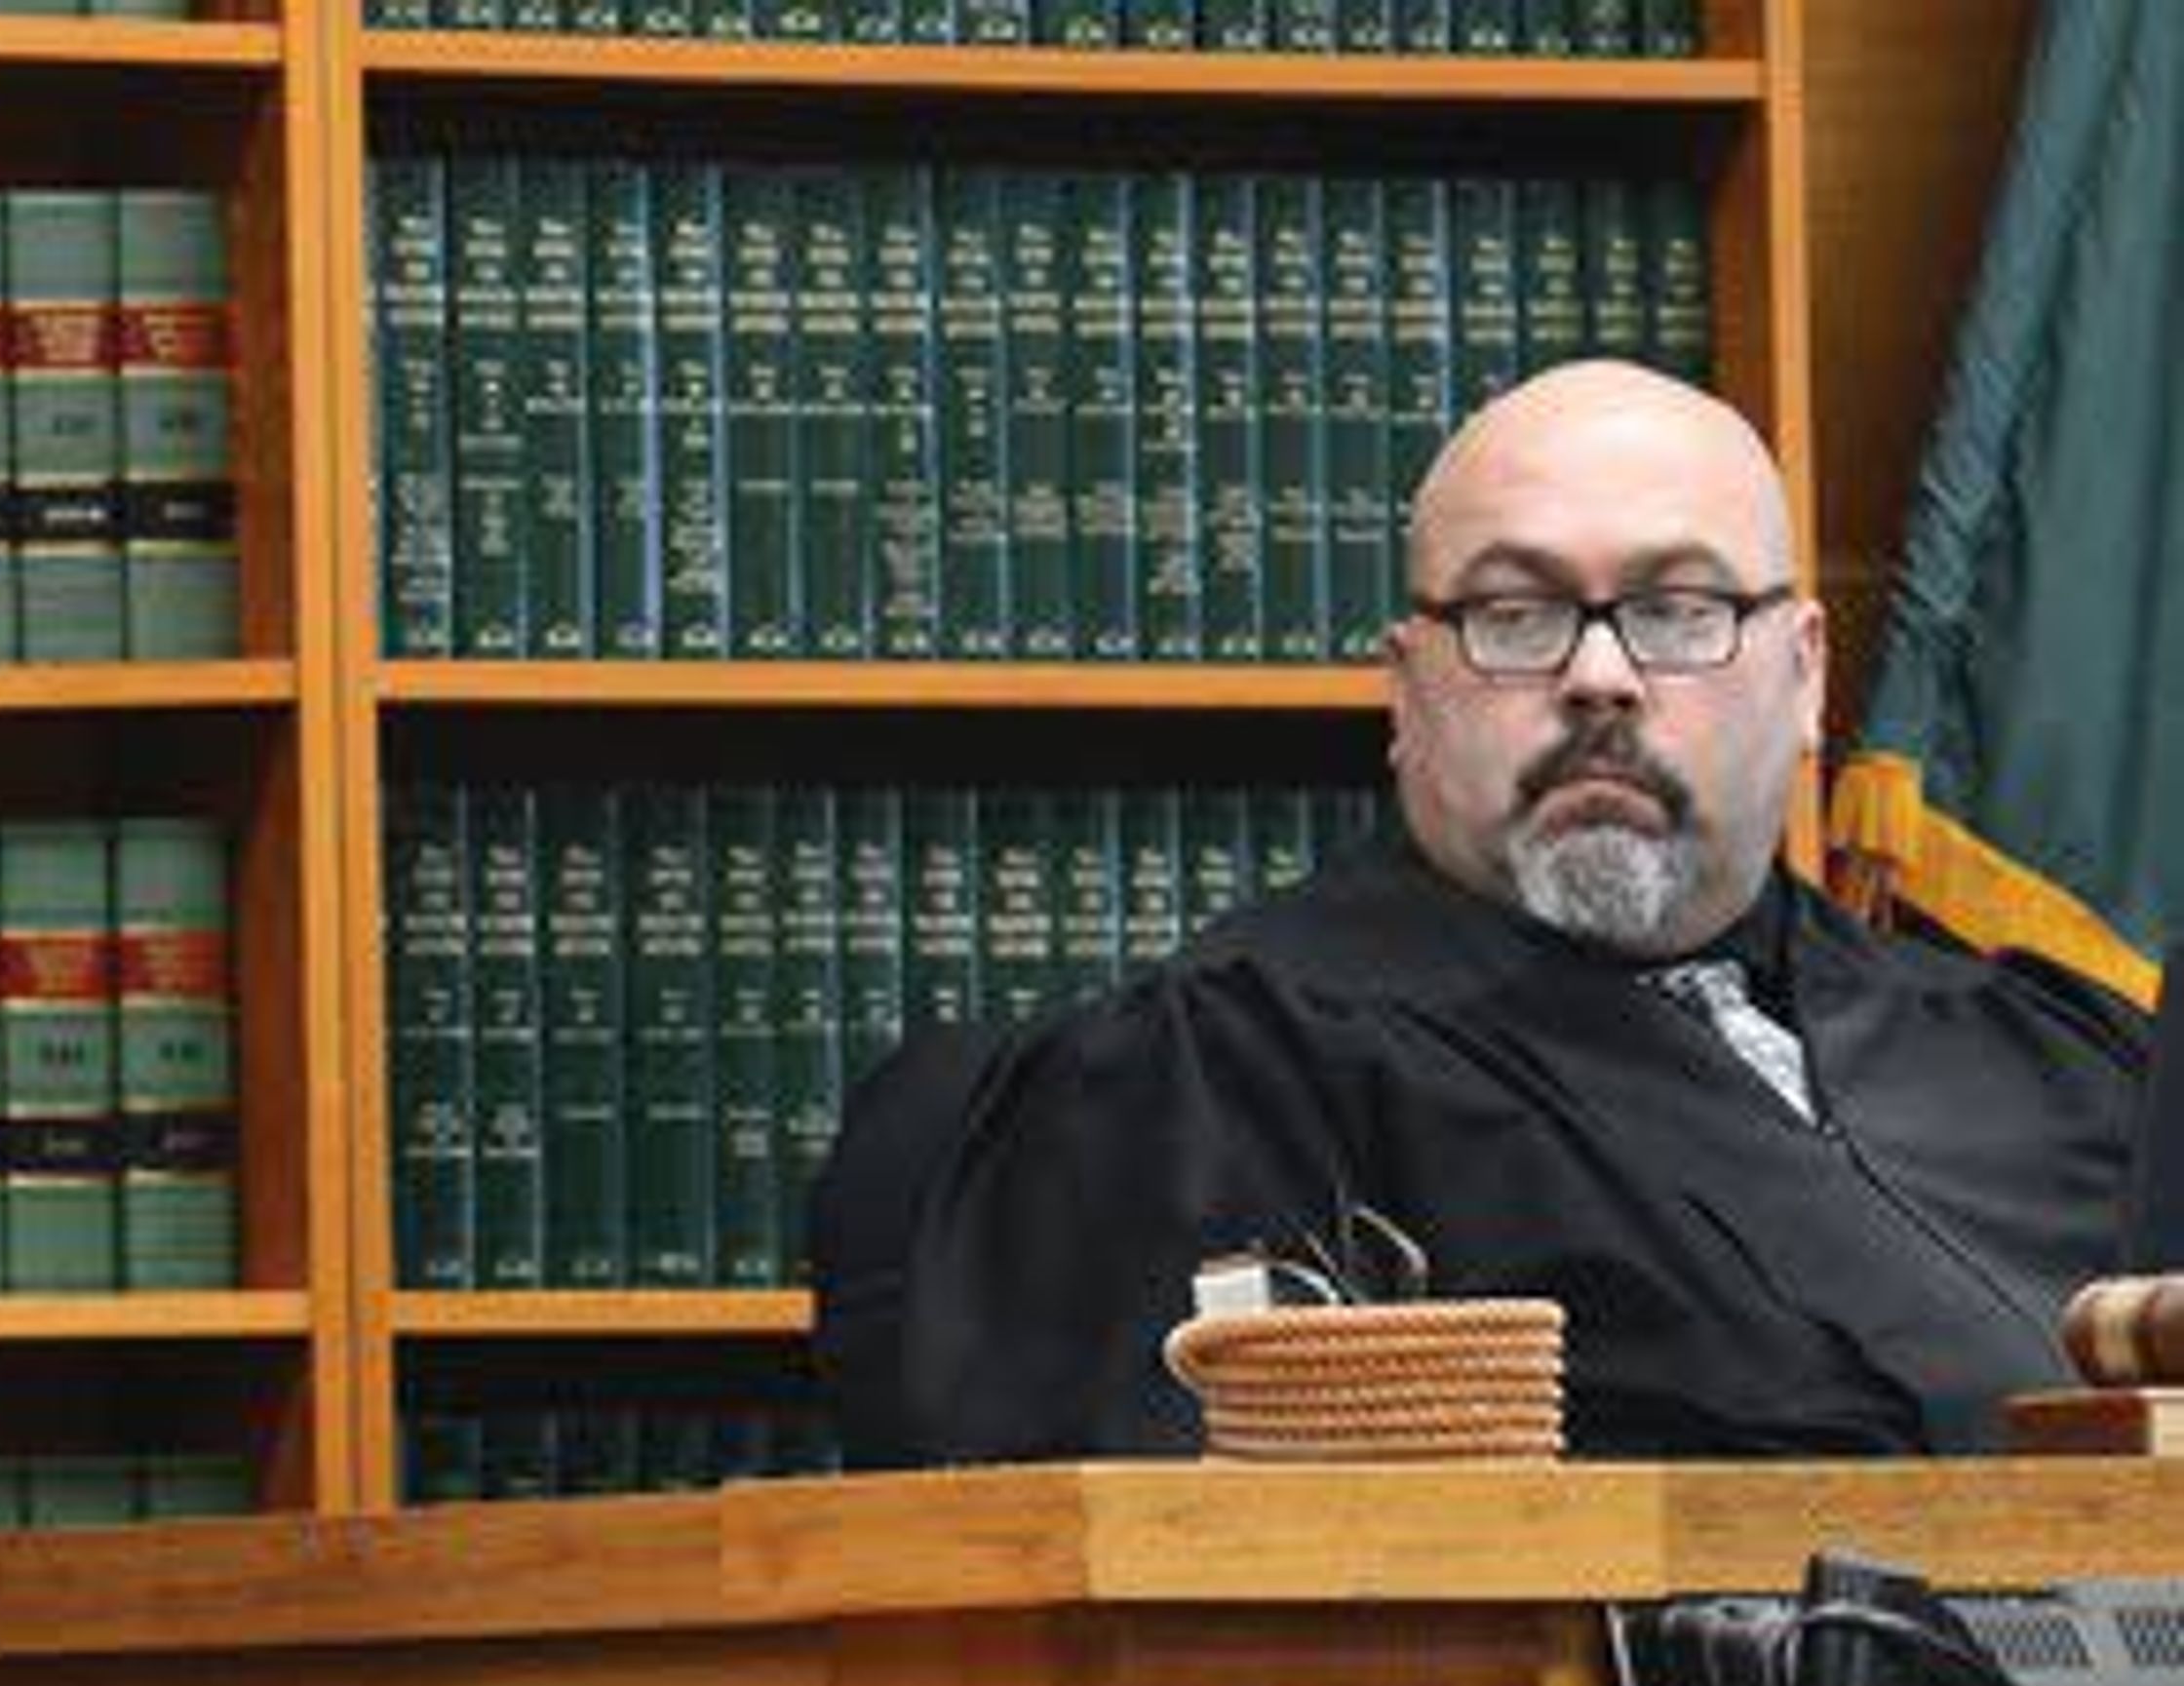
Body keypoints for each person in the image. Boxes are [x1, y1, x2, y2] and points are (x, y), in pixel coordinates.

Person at [892, 360, 2146, 1462]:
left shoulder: (2065, 1061)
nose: (1599, 676)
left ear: (1807, 675)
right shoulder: (1229, 1072)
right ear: (1406, 690)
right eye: (1516, 615)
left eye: (1678, 610)